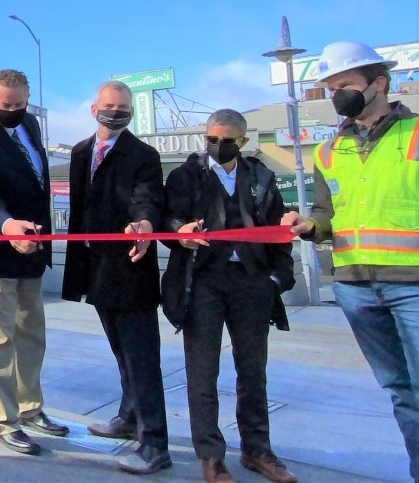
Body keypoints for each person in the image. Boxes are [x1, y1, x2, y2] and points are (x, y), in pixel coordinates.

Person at [288, 41, 418, 483]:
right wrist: (309, 225)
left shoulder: (416, 134)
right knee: (400, 391)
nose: (336, 95)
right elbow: (328, 215)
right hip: (356, 287)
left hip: (413, 285)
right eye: (330, 88)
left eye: (345, 85)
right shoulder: (328, 152)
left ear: (379, 83)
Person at [162, 108, 299, 483]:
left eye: (226, 140)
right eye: (211, 139)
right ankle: (211, 456)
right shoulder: (184, 176)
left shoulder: (262, 176)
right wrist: (180, 230)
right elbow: (168, 219)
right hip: (202, 282)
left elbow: (277, 231)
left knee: (253, 371)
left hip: (252, 281)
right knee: (202, 372)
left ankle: (257, 450)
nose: (218, 146)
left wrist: (278, 278)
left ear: (243, 141)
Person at [0, 69, 68, 457]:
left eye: (19, 105)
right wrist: (8, 226)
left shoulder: (31, 125)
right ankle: (2, 419)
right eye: (5, 106)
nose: (12, 111)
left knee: (31, 333)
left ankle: (29, 406)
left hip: (32, 249)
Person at [64, 80, 170, 475]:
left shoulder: (143, 154)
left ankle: (155, 443)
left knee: (142, 357)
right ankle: (128, 416)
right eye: (109, 105)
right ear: (94, 109)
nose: (116, 111)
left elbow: (147, 197)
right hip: (94, 269)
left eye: (123, 106)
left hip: (130, 266)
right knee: (121, 352)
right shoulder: (79, 152)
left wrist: (143, 223)